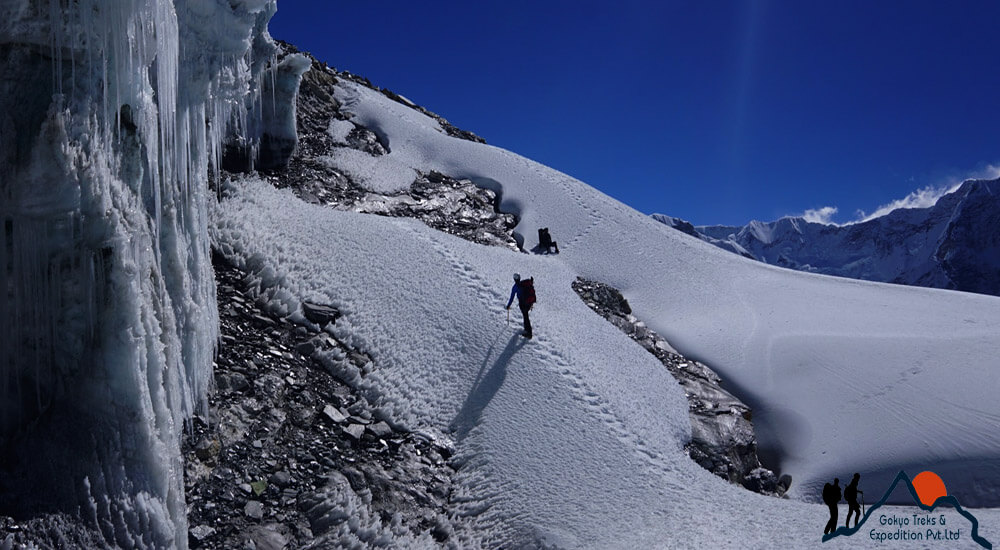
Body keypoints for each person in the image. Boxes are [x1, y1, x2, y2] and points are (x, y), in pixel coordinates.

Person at [506, 273, 535, 339]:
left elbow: (512, 298)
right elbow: (530, 282)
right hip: (529, 303)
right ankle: (527, 329)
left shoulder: (515, 287)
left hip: (523, 303)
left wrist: (508, 305)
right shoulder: (524, 283)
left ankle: (529, 333)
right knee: (526, 315)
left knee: (525, 316)